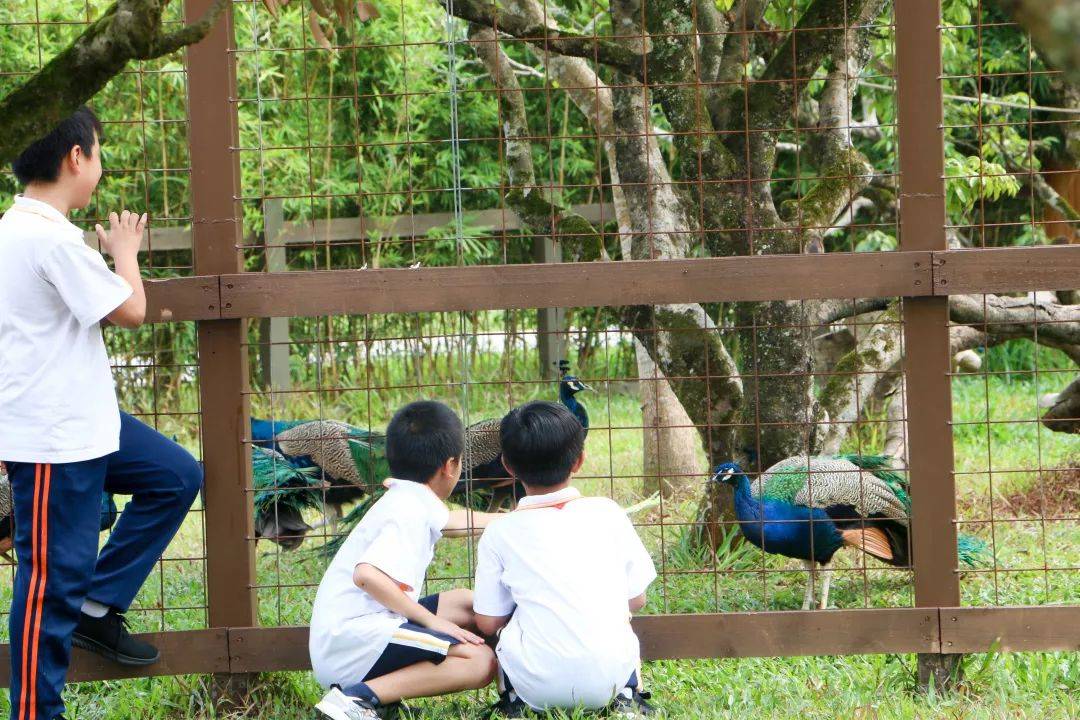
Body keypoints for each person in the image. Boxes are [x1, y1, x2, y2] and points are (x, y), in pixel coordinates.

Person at [0, 106, 204, 720]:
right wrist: (125, 252)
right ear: (75, 157)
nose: (100, 166)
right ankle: (37, 712)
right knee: (49, 581)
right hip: (53, 436)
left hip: (87, 424)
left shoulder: (23, 229)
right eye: (98, 151)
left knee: (175, 475)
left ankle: (96, 607)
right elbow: (132, 310)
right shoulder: (49, 238)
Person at [311, 400, 499, 720]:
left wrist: (518, 517)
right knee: (480, 662)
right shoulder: (407, 510)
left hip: (351, 636)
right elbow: (367, 575)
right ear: (450, 465)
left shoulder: (410, 497)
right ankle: (356, 699)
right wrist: (431, 621)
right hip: (354, 644)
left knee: (469, 604)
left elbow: (454, 522)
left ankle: (372, 695)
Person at [474, 401, 657, 718]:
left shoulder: (500, 531)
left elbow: (488, 622)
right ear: (580, 460)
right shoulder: (608, 513)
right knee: (622, 623)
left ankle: (513, 699)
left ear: (507, 466)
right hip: (610, 681)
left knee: (511, 627)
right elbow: (637, 599)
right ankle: (629, 693)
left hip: (535, 690)